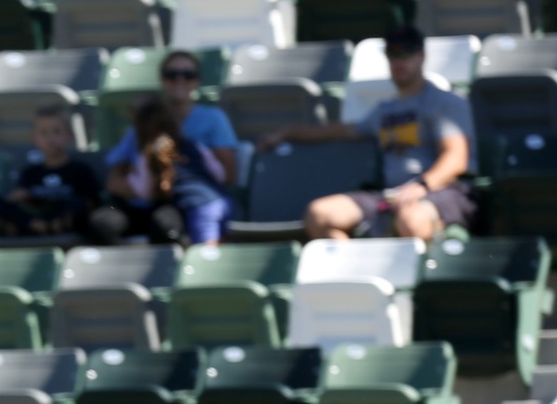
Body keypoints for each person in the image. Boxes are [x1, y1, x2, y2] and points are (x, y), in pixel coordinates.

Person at [272, 26, 476, 243]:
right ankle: (354, 270)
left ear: (421, 56)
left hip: (442, 192)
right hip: (390, 196)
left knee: (411, 221)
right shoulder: (385, 110)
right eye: (392, 54)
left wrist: (421, 186)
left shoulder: (445, 102)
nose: (399, 62)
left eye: (406, 53)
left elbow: (456, 159)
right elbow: (343, 130)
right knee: (319, 214)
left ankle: (427, 264)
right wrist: (289, 132)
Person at [91, 51, 240, 246]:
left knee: (164, 227)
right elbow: (114, 180)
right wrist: (149, 187)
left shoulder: (212, 120)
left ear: (198, 80)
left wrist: (176, 184)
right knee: (102, 223)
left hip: (180, 204)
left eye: (188, 74)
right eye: (172, 74)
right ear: (162, 80)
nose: (180, 79)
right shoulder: (145, 121)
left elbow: (226, 176)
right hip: (140, 204)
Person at [0, 103, 103, 240]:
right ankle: (37, 226)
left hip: (63, 214)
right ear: (34, 138)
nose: (50, 138)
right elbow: (21, 198)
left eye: (56, 132)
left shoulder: (80, 169)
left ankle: (43, 226)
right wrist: (21, 196)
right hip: (38, 215)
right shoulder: (30, 172)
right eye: (44, 133)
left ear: (68, 135)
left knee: (78, 204)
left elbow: (90, 203)